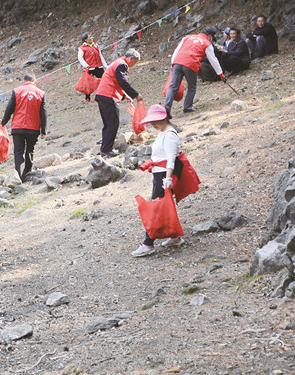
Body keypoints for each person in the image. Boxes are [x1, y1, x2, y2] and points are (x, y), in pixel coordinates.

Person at [131, 104, 183, 257]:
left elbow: (171, 159)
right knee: (163, 205)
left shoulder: (170, 135)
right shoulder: (163, 132)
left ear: (164, 118)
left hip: (163, 175)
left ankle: (148, 243)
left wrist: (167, 179)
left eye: (156, 120)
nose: (153, 124)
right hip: (159, 174)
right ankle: (174, 236)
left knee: (155, 208)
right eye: (151, 121)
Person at [164, 27, 224, 115]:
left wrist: (172, 64)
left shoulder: (187, 37)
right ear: (210, 36)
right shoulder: (207, 43)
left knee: (173, 87)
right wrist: (221, 74)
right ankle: (187, 108)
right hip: (190, 64)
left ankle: (167, 107)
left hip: (177, 62)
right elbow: (213, 60)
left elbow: (177, 50)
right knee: (192, 87)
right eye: (212, 39)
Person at [94, 49, 143, 157]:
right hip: (109, 96)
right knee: (113, 123)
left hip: (102, 95)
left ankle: (105, 149)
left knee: (108, 124)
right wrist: (136, 94)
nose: (133, 65)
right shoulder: (122, 65)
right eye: (134, 62)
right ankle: (106, 149)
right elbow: (122, 82)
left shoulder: (117, 62)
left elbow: (116, 81)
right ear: (131, 58)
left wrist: (126, 96)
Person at [1, 73, 47, 181]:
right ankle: (28, 172)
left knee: (18, 151)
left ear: (24, 81)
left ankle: (18, 174)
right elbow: (43, 113)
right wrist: (43, 130)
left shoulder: (17, 91)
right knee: (30, 149)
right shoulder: (41, 93)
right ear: (34, 82)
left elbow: (9, 109)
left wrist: (3, 122)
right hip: (33, 127)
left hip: (18, 127)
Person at [77, 32, 108, 102]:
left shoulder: (96, 45)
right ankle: (87, 97)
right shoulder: (82, 48)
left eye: (91, 36)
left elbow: (100, 56)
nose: (91, 38)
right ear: (85, 39)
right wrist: (85, 65)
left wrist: (105, 65)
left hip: (99, 67)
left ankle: (105, 94)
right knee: (87, 83)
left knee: (104, 80)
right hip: (90, 68)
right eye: (89, 37)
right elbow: (80, 58)